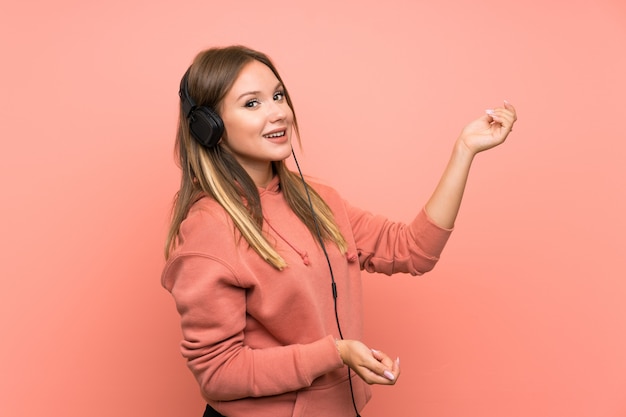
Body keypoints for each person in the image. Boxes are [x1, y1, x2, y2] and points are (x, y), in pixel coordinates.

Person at [161, 45, 517, 417]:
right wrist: (334, 353)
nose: (278, 112)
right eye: (252, 104)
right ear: (209, 126)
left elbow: (412, 249)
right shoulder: (209, 229)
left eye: (278, 96)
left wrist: (465, 149)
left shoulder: (319, 200)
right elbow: (218, 373)